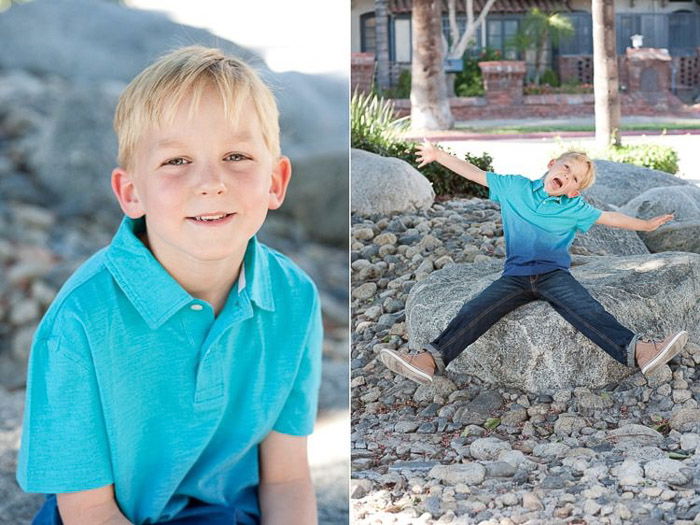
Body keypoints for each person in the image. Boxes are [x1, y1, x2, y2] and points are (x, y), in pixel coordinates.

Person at [17, 46, 322, 525]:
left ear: (275, 181)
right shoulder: (81, 319)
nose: (210, 181)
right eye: (177, 160)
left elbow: (285, 479)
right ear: (130, 192)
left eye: (237, 155)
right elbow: (87, 507)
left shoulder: (294, 298)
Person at [380, 141, 688, 385]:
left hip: (553, 275)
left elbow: (611, 218)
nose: (566, 176)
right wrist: (438, 154)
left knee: (589, 310)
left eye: (574, 178)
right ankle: (428, 360)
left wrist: (645, 226)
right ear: (551, 165)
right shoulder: (515, 188)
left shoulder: (575, 207)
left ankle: (642, 352)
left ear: (574, 190)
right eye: (566, 167)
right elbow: (474, 173)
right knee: (475, 310)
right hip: (514, 277)